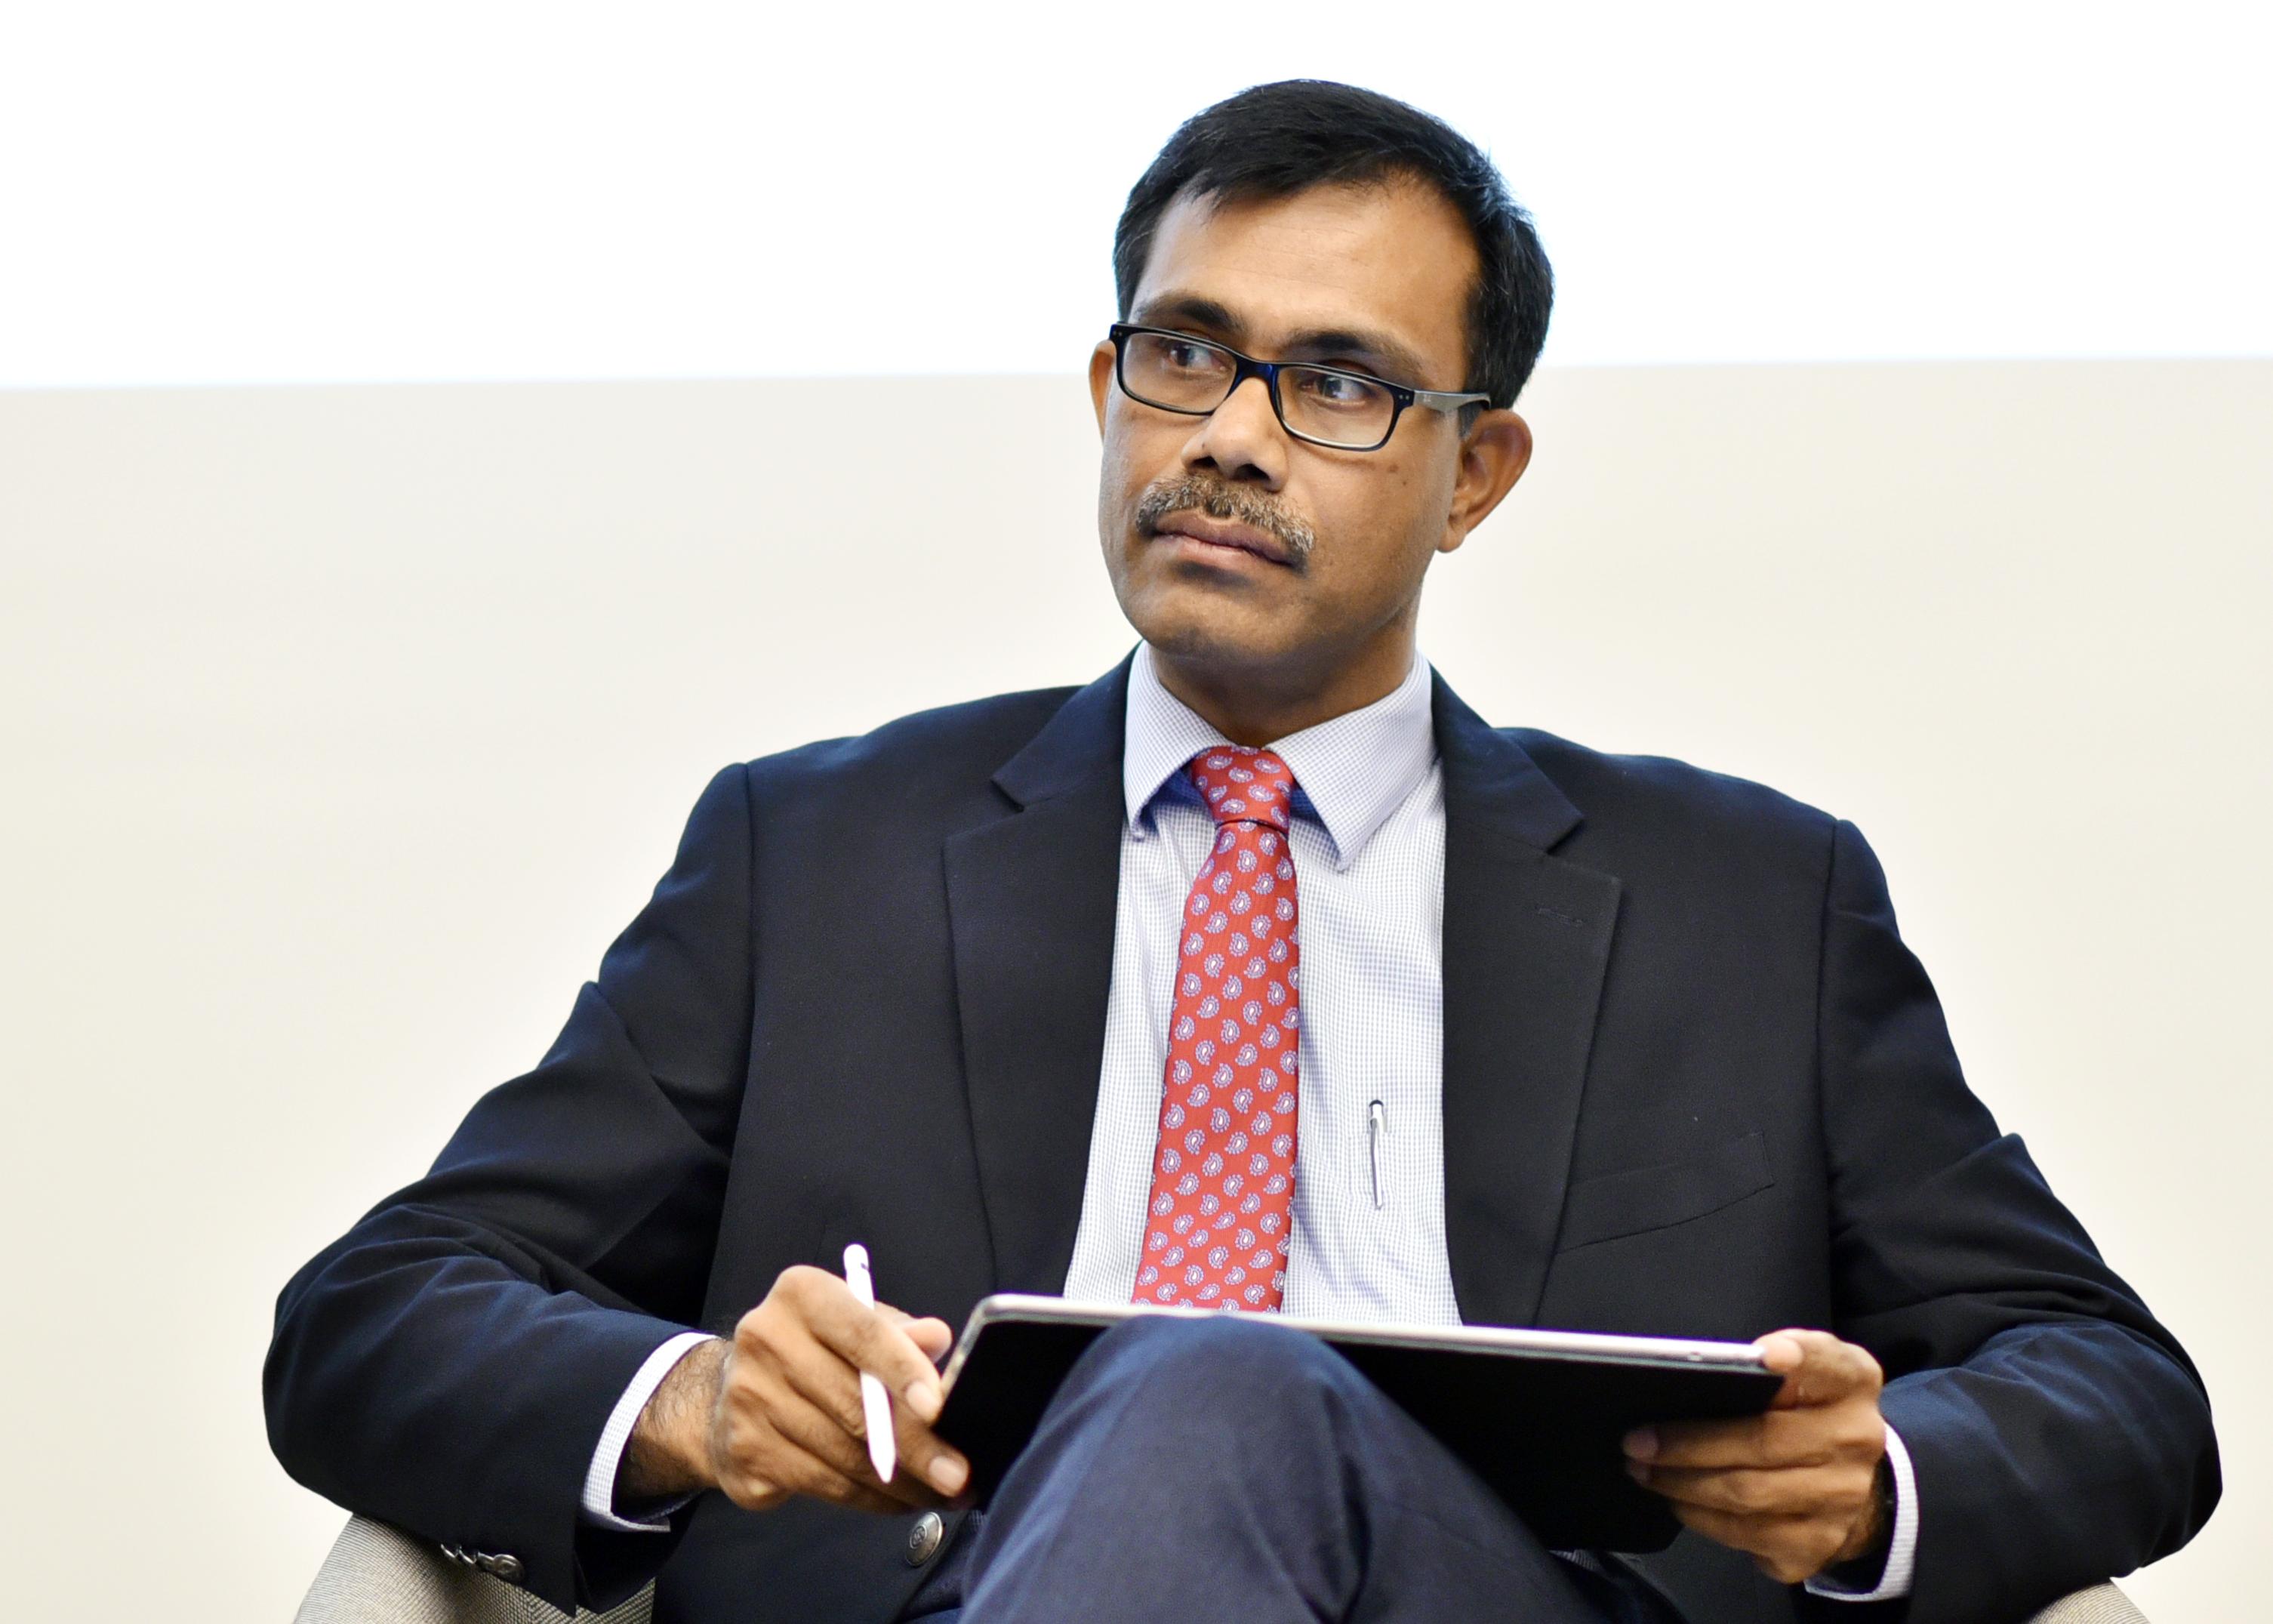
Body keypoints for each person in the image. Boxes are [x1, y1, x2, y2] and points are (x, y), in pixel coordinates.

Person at [266, 81, 2218, 1624]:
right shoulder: (816, 854)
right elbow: (374, 1317)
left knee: (1215, 1378)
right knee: (1189, 1388)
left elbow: (2112, 1383)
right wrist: (693, 1406)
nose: (1231, 437)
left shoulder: (1747, 902)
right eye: (1186, 355)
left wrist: (1874, 1481)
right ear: (1107, 391)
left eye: (1339, 384)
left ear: (1476, 474)